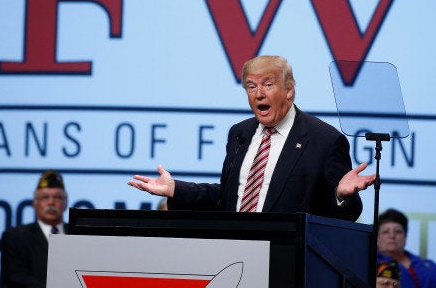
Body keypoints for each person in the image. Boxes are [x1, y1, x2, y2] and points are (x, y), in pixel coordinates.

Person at [128, 55, 376, 221]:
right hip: (236, 252)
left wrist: (341, 196)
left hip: (288, 261)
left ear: (289, 90)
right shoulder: (240, 133)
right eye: (251, 86)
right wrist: (175, 189)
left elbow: (347, 216)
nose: (258, 94)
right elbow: (227, 196)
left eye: (268, 84)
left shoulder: (324, 140)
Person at [0, 170, 68, 288]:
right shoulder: (15, 237)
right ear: (34, 203)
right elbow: (15, 277)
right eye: (45, 197)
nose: (51, 202)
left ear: (66, 203)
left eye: (57, 197)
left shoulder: (78, 234)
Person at [377, 208, 436, 288]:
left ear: (405, 236)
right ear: (377, 237)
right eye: (385, 232)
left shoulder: (428, 266)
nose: (392, 236)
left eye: (398, 231)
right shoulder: (368, 264)